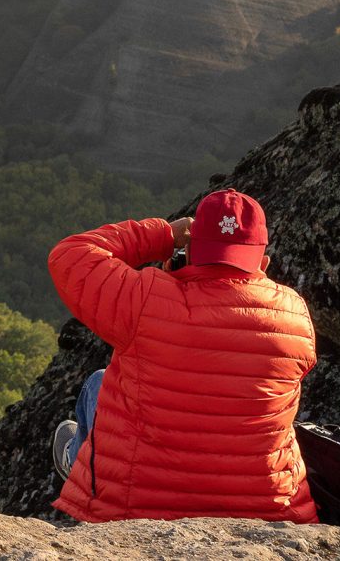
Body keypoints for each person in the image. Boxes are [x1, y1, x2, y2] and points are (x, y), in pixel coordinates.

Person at [48, 189, 318, 523]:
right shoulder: (293, 315)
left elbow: (70, 255)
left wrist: (163, 235)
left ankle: (75, 456)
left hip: (135, 506)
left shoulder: (144, 297)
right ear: (263, 262)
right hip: (266, 510)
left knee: (97, 385)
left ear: (188, 249)